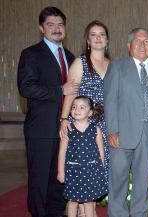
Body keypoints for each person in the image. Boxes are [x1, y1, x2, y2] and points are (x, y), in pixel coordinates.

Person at [17, 6, 79, 217]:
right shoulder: (31, 54)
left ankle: (55, 212)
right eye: (50, 25)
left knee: (59, 176)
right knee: (40, 177)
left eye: (60, 24)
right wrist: (59, 90)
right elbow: (26, 87)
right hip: (41, 128)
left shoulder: (71, 57)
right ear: (41, 28)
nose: (56, 29)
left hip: (66, 128)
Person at [104, 28, 148, 217]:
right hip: (122, 133)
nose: (142, 45)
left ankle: (140, 213)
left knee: (143, 180)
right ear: (129, 45)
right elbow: (110, 100)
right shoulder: (117, 67)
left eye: (146, 41)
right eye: (138, 41)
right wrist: (112, 130)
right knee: (119, 179)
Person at [58, 20, 110, 217]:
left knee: (95, 171)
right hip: (81, 125)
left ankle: (89, 211)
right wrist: (64, 120)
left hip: (104, 126)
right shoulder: (80, 63)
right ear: (88, 40)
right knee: (80, 171)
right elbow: (70, 93)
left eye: (102, 34)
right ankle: (81, 211)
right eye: (93, 35)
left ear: (107, 40)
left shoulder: (112, 65)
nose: (98, 38)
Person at [57, 96, 108, 217]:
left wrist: (100, 169)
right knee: (72, 201)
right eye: (73, 107)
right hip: (73, 171)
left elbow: (101, 151)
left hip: (91, 171)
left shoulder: (95, 130)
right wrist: (61, 172)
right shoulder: (68, 130)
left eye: (81, 107)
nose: (76, 110)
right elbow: (62, 152)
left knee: (89, 202)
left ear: (90, 112)